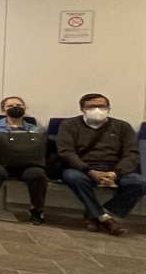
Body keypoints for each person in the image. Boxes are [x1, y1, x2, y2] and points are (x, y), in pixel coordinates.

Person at [56, 93, 143, 236]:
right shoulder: (69, 125)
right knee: (73, 177)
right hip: (82, 169)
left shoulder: (123, 127)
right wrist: (89, 171)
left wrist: (115, 173)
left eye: (101, 106)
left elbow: (132, 154)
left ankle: (98, 214)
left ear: (108, 108)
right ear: (82, 109)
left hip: (114, 170)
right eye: (91, 107)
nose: (97, 110)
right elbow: (66, 152)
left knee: (140, 182)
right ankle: (105, 219)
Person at [0, 96, 46, 224]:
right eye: (10, 106)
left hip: (23, 163)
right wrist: (4, 150)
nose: (15, 108)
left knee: (37, 173)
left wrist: (15, 151)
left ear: (24, 109)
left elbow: (38, 150)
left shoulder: (35, 130)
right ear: (3, 110)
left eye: (19, 106)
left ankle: (37, 209)